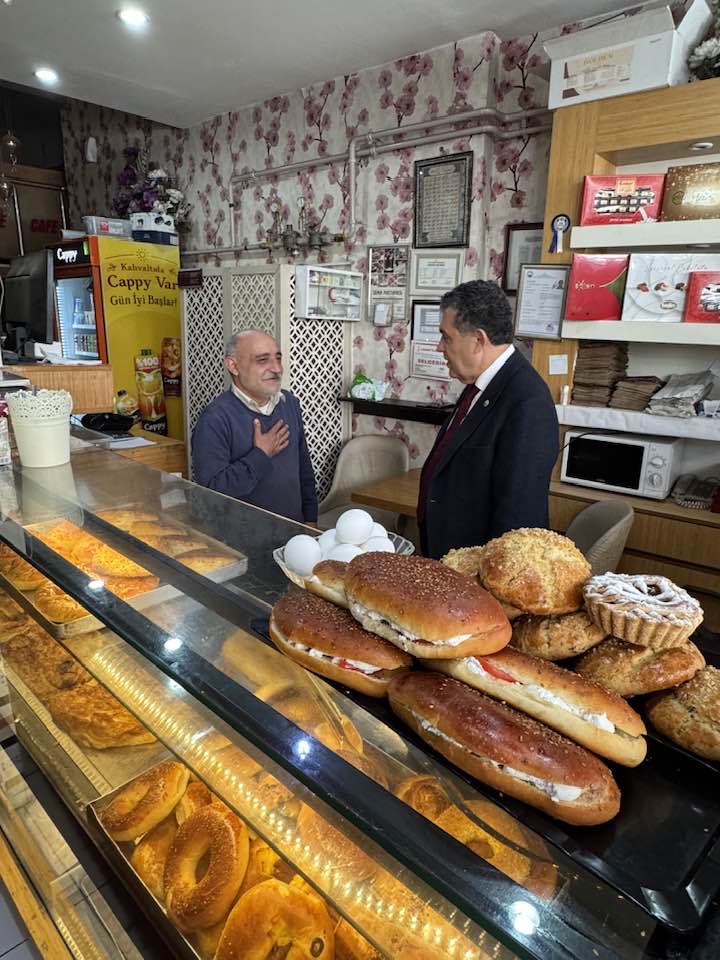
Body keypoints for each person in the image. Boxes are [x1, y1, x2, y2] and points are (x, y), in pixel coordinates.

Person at [417, 280, 558, 559]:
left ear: (478, 340)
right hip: (449, 557)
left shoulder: (527, 402)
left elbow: (518, 520)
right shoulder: (480, 384)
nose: (439, 347)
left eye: (446, 337)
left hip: (477, 570)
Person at [192, 329, 318, 524]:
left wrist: (310, 519)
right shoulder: (215, 418)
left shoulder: (289, 403)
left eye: (278, 358)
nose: (276, 368)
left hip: (293, 532)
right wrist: (260, 455)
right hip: (242, 537)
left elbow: (304, 470)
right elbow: (213, 492)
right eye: (262, 360)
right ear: (233, 366)